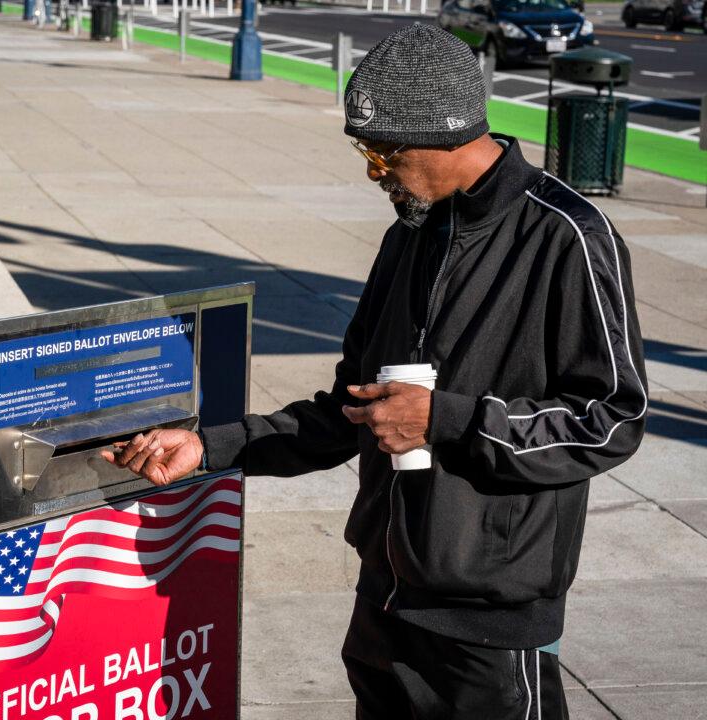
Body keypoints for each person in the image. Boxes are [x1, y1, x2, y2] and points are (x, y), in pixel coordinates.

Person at [102, 24, 647, 720]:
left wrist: (442, 418)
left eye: (382, 151)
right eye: (366, 150)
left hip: (488, 617)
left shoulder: (565, 237)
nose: (373, 171)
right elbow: (349, 409)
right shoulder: (409, 235)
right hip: (385, 599)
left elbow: (612, 422)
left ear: (442, 136)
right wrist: (214, 445)